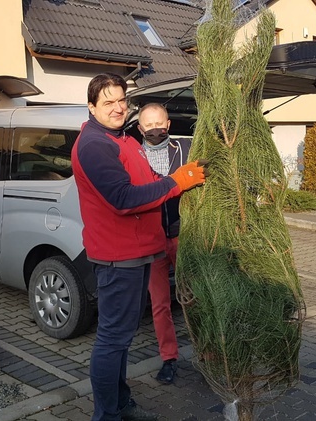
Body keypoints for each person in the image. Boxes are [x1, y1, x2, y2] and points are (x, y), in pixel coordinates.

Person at [71, 73, 208, 421]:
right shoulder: (95, 146)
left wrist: (180, 179)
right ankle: (107, 414)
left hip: (140, 251)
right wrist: (177, 183)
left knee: (121, 338)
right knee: (112, 339)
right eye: (108, 102)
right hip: (120, 257)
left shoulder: (122, 140)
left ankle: (120, 403)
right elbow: (123, 198)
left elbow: (147, 183)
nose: (118, 108)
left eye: (121, 100)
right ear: (91, 107)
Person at [137, 103, 189, 385]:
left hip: (183, 235)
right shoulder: (134, 155)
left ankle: (208, 353)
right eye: (149, 125)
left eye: (159, 124)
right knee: (160, 303)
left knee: (194, 295)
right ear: (140, 129)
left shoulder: (185, 149)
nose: (154, 129)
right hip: (153, 240)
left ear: (167, 125)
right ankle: (169, 358)